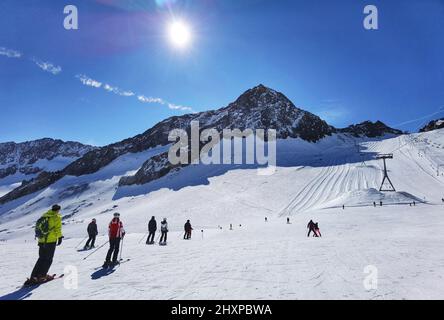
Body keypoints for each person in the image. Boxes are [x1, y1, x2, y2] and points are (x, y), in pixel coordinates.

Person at [26, 205, 63, 285]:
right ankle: (42, 276)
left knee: (41, 258)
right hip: (50, 241)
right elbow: (58, 228)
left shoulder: (45, 215)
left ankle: (33, 277)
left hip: (41, 241)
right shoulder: (56, 217)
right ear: (58, 210)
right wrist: (60, 237)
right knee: (48, 259)